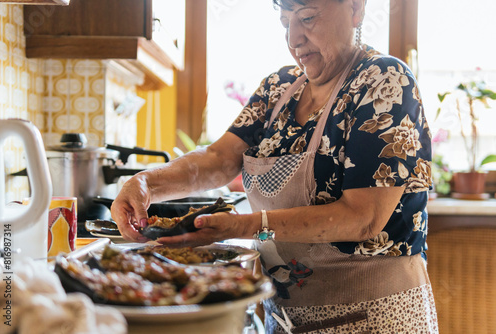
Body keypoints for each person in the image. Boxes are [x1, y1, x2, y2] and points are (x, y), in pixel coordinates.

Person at [111, 0, 438, 332]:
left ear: (355, 8)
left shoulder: (384, 81)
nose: (294, 38)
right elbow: (218, 159)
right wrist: (147, 183)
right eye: (285, 23)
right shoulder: (278, 89)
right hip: (285, 318)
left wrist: (241, 227)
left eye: (308, 18)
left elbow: (362, 218)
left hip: (374, 316)